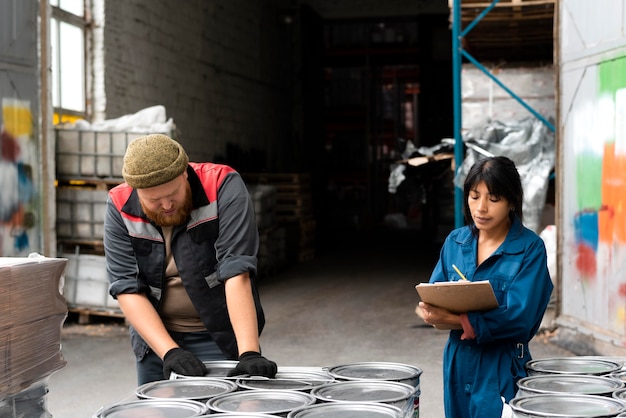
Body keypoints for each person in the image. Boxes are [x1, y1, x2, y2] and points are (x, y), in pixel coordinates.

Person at [103, 133, 277, 385]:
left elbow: (236, 268)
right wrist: (169, 351)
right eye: (153, 200)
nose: (165, 205)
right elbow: (126, 287)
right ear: (136, 191)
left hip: (219, 335)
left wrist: (248, 352)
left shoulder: (222, 184)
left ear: (185, 172)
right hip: (157, 341)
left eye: (173, 193)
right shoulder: (119, 204)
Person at [416, 156, 553, 418]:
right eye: (474, 196)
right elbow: (434, 292)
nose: (481, 208)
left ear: (512, 201)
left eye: (493, 198)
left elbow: (519, 319)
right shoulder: (456, 242)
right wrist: (431, 311)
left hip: (501, 364)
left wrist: (460, 319)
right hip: (457, 361)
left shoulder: (529, 249)